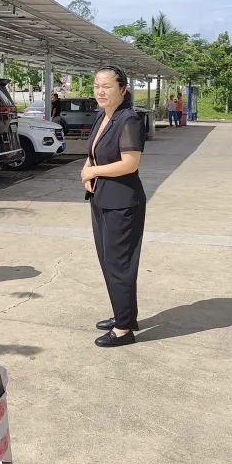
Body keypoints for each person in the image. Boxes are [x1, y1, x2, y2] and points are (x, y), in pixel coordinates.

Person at [80, 65, 147, 347]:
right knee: (108, 261)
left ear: (123, 89)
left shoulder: (129, 119)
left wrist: (93, 172)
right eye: (97, 86)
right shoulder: (104, 116)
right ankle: (124, 314)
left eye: (107, 86)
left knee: (119, 264)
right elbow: (94, 153)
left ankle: (123, 330)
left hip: (122, 203)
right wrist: (87, 169)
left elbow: (130, 163)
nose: (100, 91)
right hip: (102, 199)